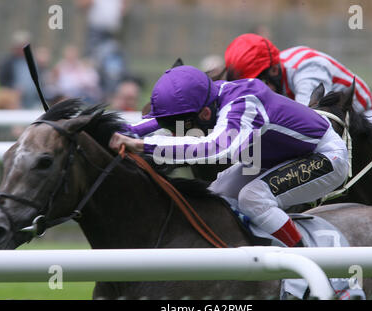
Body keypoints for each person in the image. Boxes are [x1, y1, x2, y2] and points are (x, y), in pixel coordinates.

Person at [108, 65, 349, 247]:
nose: (174, 132)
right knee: (216, 196)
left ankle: (309, 262)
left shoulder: (243, 105)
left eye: (179, 127)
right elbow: (147, 124)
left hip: (325, 157)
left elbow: (214, 148)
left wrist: (142, 145)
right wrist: (108, 132)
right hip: (275, 159)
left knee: (253, 198)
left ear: (203, 113)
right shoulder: (209, 98)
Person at [224, 33, 372, 126]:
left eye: (257, 85)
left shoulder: (308, 69)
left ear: (274, 70)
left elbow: (310, 123)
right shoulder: (276, 69)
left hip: (362, 121)